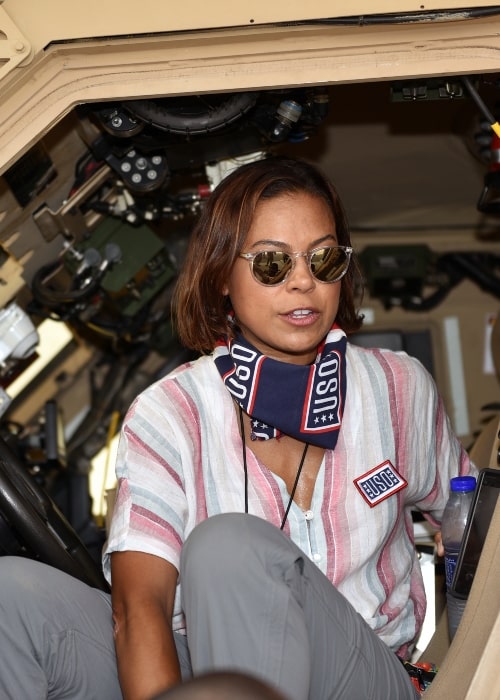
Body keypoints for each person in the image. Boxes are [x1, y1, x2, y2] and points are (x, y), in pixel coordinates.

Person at [0, 156, 475, 700]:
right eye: (272, 264)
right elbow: (141, 606)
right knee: (10, 599)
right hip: (208, 665)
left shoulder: (398, 390)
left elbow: (471, 514)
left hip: (360, 670)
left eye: (322, 259)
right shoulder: (171, 413)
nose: (303, 282)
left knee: (227, 546)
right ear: (222, 274)